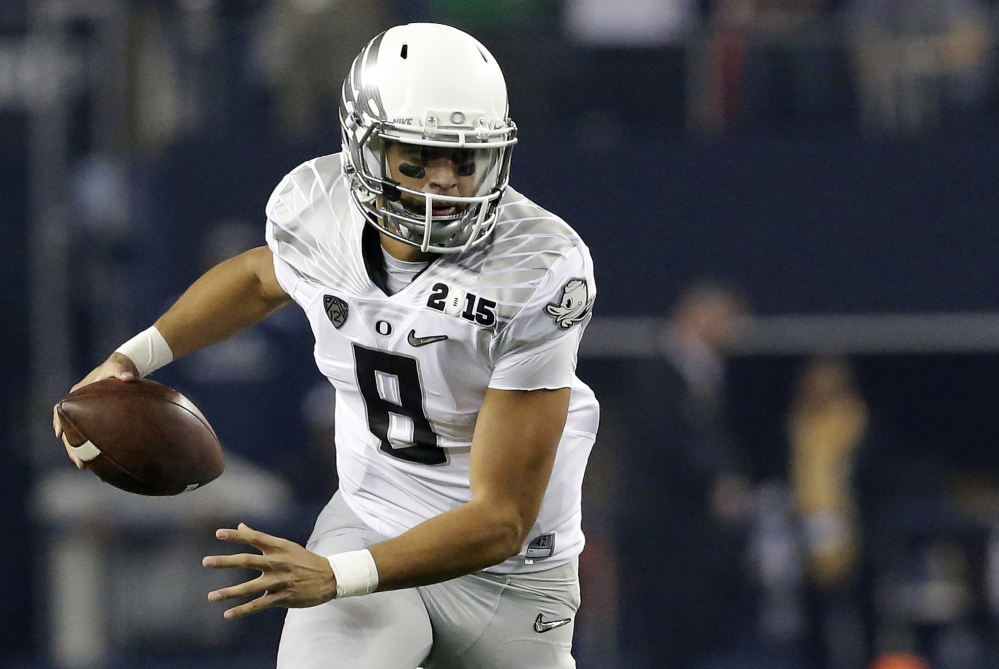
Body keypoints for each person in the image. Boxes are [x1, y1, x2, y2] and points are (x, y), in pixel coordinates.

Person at [53, 23, 598, 669]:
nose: (446, 181)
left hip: (508, 569)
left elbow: (501, 517)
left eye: (464, 158)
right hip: (373, 516)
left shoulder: (538, 264)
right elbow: (259, 277)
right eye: (417, 158)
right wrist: (129, 359)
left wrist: (338, 575)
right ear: (363, 148)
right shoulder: (319, 206)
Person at [614, 280, 754, 669]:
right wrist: (715, 483)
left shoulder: (705, 375)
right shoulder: (660, 372)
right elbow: (670, 440)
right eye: (728, 321)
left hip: (687, 529)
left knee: (690, 631)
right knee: (663, 630)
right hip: (661, 526)